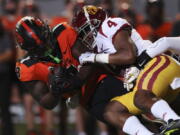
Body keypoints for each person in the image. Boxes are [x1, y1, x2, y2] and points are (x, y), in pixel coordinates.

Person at [71, 5, 180, 135]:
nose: (86, 36)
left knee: (141, 96)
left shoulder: (109, 25)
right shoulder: (97, 48)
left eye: (86, 30)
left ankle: (174, 120)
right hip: (146, 80)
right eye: (82, 33)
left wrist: (94, 57)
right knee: (111, 110)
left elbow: (128, 55)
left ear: (96, 22)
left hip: (156, 63)